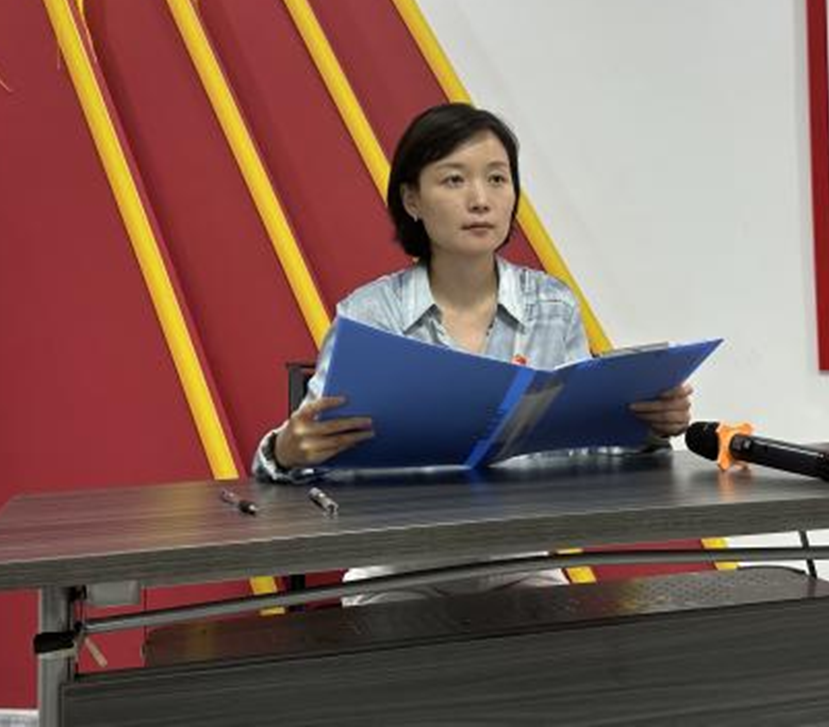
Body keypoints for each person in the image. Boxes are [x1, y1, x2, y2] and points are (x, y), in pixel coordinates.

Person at [253, 103, 692, 600]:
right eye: (455, 180)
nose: (481, 200)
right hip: (400, 567)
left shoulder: (552, 305)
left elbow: (580, 447)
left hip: (519, 561)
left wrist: (645, 426)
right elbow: (305, 462)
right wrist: (286, 451)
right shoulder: (368, 315)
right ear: (412, 200)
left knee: (582, 640)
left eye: (497, 179)